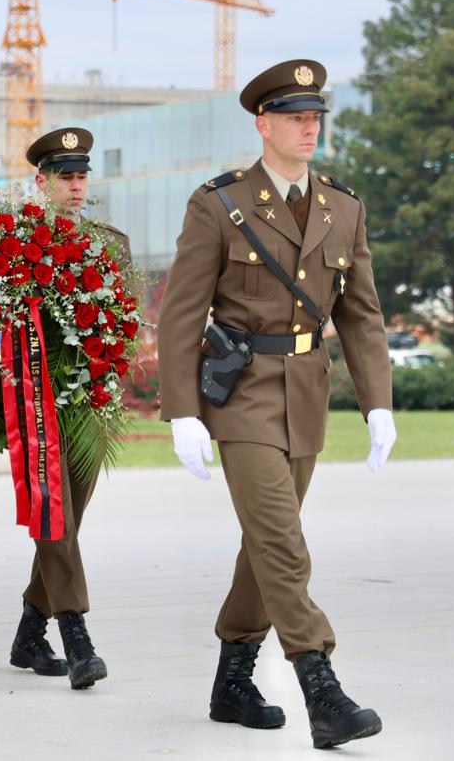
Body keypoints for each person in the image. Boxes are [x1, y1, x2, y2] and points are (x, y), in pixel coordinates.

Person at [157, 60, 397, 749]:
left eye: (315, 115)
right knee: (284, 543)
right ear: (263, 125)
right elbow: (181, 315)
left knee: (262, 545)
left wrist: (376, 402)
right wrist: (182, 411)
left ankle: (232, 679)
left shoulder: (342, 207)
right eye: (295, 116)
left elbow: (362, 314)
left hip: (307, 391)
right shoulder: (219, 202)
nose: (308, 126)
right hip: (242, 393)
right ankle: (320, 684)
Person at [5, 127, 131, 691]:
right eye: (65, 177)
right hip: (35, 400)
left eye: (82, 176)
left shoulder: (111, 241)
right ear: (42, 182)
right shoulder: (12, 243)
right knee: (55, 518)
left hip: (89, 401)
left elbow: (127, 326)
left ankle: (31, 632)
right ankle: (77, 638)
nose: (76, 187)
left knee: (67, 519)